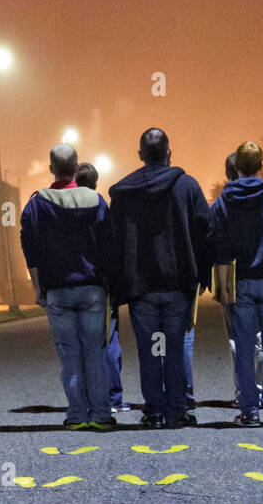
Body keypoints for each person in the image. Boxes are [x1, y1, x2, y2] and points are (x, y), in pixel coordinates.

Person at [108, 128, 212, 429]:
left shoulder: (125, 193)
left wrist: (117, 285)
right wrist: (202, 274)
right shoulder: (187, 187)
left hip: (141, 287)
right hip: (178, 285)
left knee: (151, 349)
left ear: (141, 155)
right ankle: (177, 410)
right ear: (169, 153)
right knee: (175, 349)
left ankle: (153, 410)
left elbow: (114, 242)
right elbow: (205, 230)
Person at [20, 144, 114, 431]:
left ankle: (77, 414)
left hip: (58, 290)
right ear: (76, 169)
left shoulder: (37, 204)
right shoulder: (96, 201)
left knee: (70, 354)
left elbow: (30, 250)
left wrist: (38, 288)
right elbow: (109, 245)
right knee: (95, 353)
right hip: (92, 289)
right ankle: (100, 414)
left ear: (51, 168)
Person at [213, 141, 263, 426]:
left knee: (244, 349)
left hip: (241, 284)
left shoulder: (224, 201)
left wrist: (223, 290)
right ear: (261, 164)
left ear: (236, 165)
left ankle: (248, 411)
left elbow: (221, 250)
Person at [75, 160, 130, 414]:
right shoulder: (99, 205)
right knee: (108, 341)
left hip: (73, 282)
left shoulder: (65, 206)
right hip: (99, 282)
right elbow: (111, 245)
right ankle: (113, 397)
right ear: (96, 183)